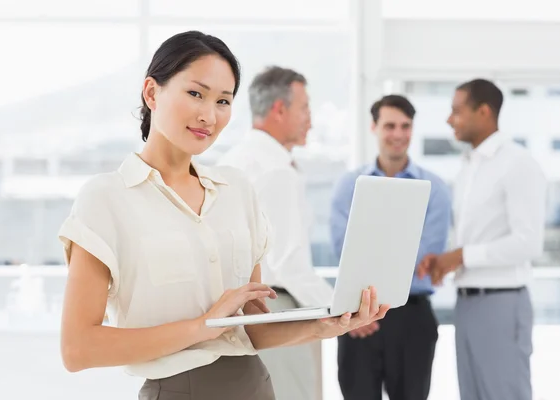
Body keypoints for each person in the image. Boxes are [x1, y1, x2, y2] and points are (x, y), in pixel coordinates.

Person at [57, 31, 389, 400]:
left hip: (256, 385)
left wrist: (326, 325)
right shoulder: (106, 198)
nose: (208, 115)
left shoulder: (237, 190)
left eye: (223, 101)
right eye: (195, 94)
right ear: (152, 93)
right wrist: (203, 326)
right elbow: (77, 349)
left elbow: (253, 329)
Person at [418, 79, 546, 400]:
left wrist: (460, 256)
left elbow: (529, 242)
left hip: (502, 304)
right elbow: (476, 235)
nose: (449, 120)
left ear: (484, 111)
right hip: (467, 303)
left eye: (457, 111)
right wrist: (446, 259)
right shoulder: (469, 167)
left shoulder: (518, 163)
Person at [218, 66, 333, 400]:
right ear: (279, 109)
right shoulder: (275, 170)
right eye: (305, 108)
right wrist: (341, 311)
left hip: (241, 312)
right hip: (278, 309)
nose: (310, 119)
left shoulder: (234, 160)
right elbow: (289, 264)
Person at [331, 95, 452, 400]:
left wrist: (372, 252)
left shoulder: (435, 189)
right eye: (389, 125)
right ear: (374, 127)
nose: (398, 134)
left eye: (405, 126)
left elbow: (426, 253)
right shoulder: (350, 185)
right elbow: (343, 249)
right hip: (359, 315)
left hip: (412, 315)